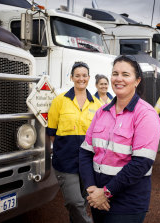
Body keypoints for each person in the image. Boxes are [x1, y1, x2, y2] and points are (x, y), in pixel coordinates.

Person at [79, 55, 160, 223]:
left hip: (128, 202)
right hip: (97, 197)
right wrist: (92, 189)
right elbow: (85, 152)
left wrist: (106, 192)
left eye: (125, 74)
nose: (119, 79)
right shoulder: (101, 112)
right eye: (115, 73)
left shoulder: (146, 114)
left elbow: (141, 163)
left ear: (137, 80)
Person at [47, 61, 102, 223]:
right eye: (77, 75)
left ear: (89, 78)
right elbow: (52, 132)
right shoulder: (60, 101)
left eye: (84, 75)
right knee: (74, 202)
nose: (81, 78)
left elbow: (99, 133)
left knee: (83, 202)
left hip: (88, 162)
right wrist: (64, 148)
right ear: (71, 77)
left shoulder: (97, 104)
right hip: (65, 160)